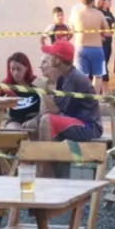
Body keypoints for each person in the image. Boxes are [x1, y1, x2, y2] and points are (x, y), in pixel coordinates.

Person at [36, 40, 104, 177]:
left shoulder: (74, 78)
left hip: (89, 126)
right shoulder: (64, 77)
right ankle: (49, 170)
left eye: (52, 55)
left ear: (58, 59)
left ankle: (45, 172)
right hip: (75, 121)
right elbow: (58, 110)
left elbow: (56, 111)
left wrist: (42, 90)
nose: (49, 59)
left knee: (46, 120)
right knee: (37, 122)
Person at [70, 0, 109, 94]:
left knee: (81, 76)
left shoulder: (76, 13)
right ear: (93, 0)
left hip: (81, 48)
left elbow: (71, 29)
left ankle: (84, 100)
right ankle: (95, 100)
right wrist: (97, 35)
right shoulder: (99, 14)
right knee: (98, 75)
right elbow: (107, 32)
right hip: (97, 49)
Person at [0, 52, 41, 132]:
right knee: (15, 132)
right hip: (14, 120)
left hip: (34, 119)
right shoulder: (6, 84)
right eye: (12, 69)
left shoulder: (36, 83)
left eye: (18, 69)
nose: (15, 73)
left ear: (26, 67)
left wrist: (35, 119)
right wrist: (4, 104)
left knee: (33, 128)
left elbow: (45, 108)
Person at [98, 0, 115, 90]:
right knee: (102, 65)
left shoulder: (109, 13)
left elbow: (114, 22)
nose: (110, 2)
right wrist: (99, 36)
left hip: (108, 42)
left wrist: (113, 29)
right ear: (103, 1)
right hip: (101, 43)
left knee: (105, 64)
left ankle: (103, 88)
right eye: (108, 0)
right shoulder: (98, 12)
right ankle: (102, 89)